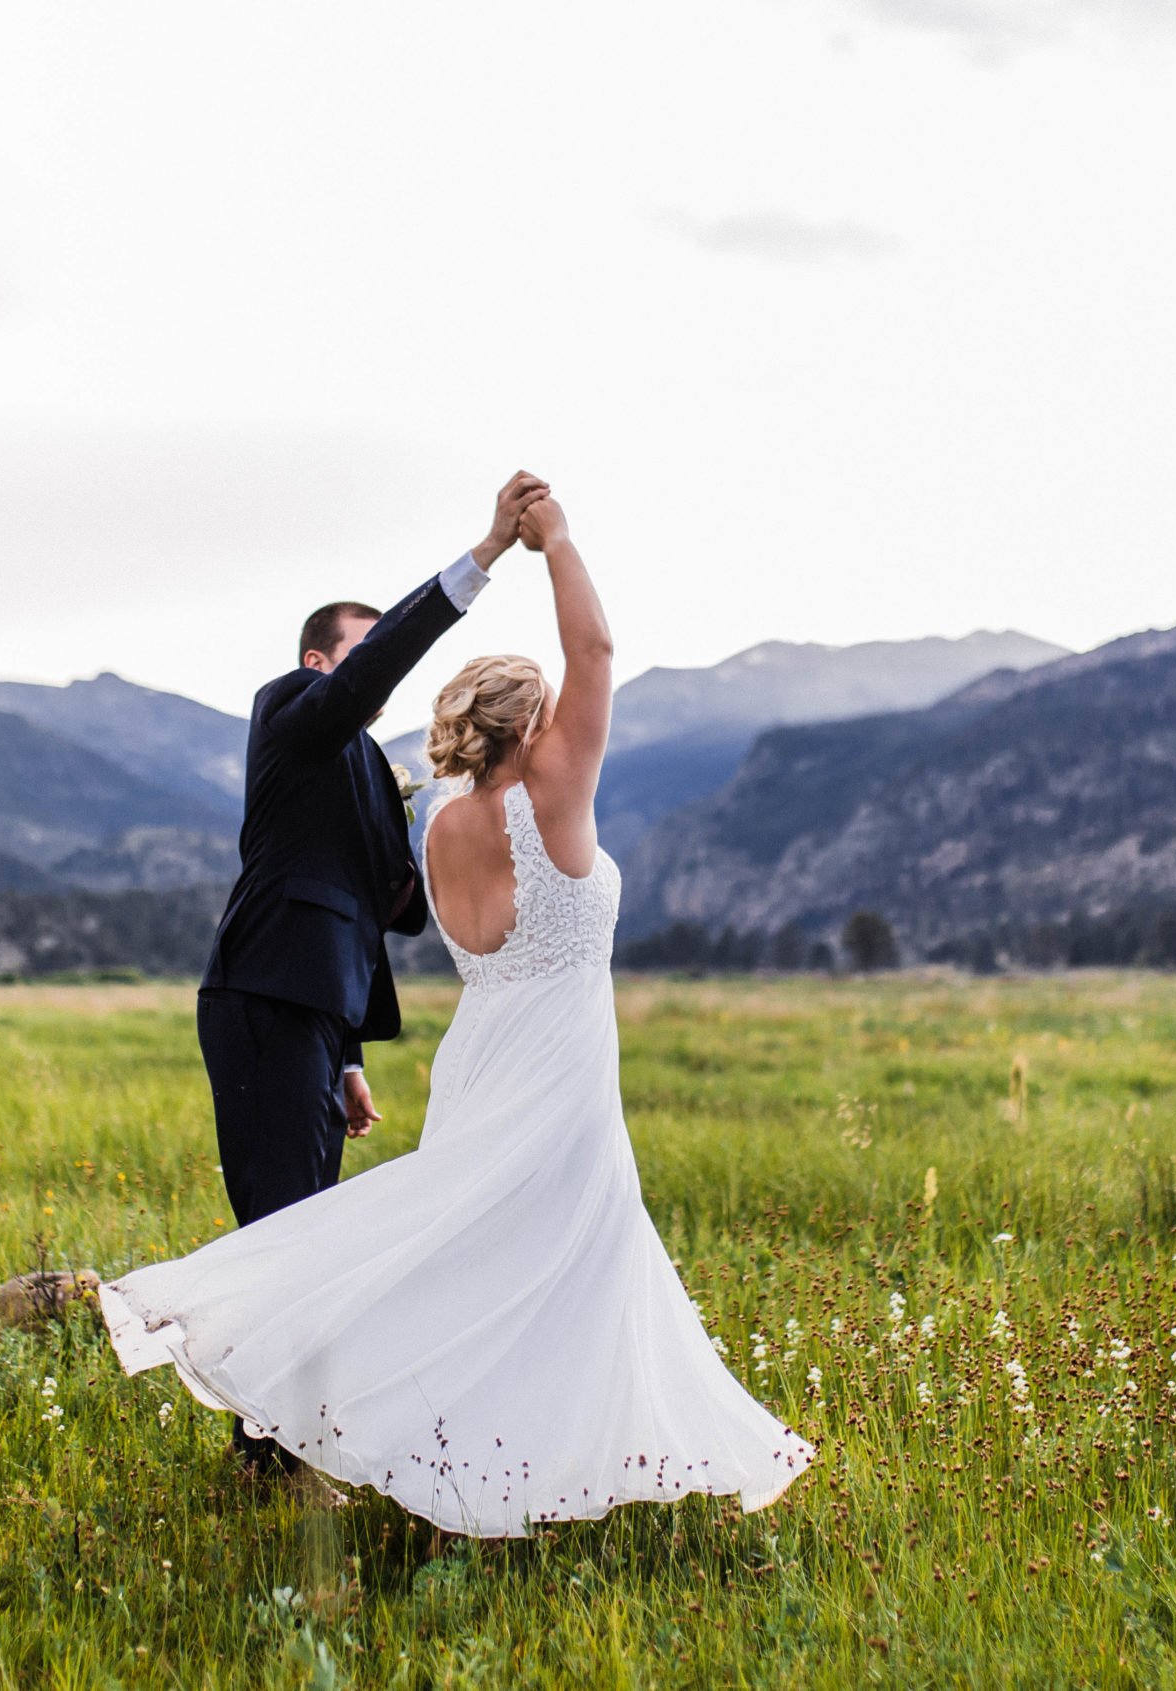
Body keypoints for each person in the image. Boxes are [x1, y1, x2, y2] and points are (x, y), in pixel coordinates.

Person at [103, 484, 814, 1534]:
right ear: (532, 726)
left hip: (482, 1046)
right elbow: (600, 656)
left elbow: (361, 910)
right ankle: (473, 1443)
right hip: (551, 1047)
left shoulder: (433, 824)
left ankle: (468, 1447)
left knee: (479, 1247)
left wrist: (347, 1052)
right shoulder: (522, 790)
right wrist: (548, 543)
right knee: (552, 1248)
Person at [193, 469, 547, 1474]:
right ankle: (271, 1452)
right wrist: (479, 560)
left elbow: (372, 913)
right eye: (361, 647)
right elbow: (365, 679)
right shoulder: (293, 710)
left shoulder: (361, 775)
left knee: (306, 1234)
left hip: (315, 1012)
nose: (369, 679)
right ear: (319, 661)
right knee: (282, 1233)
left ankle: (276, 1441)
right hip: (261, 996)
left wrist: (348, 1057)